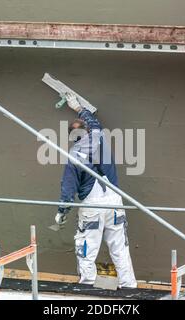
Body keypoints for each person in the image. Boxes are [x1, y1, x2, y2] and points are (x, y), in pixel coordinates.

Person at [54, 92, 137, 289]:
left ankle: (88, 285)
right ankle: (129, 285)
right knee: (119, 246)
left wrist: (61, 213)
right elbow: (95, 123)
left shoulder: (74, 157)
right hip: (115, 201)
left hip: (92, 207)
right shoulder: (99, 138)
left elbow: (68, 190)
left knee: (87, 248)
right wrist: (79, 108)